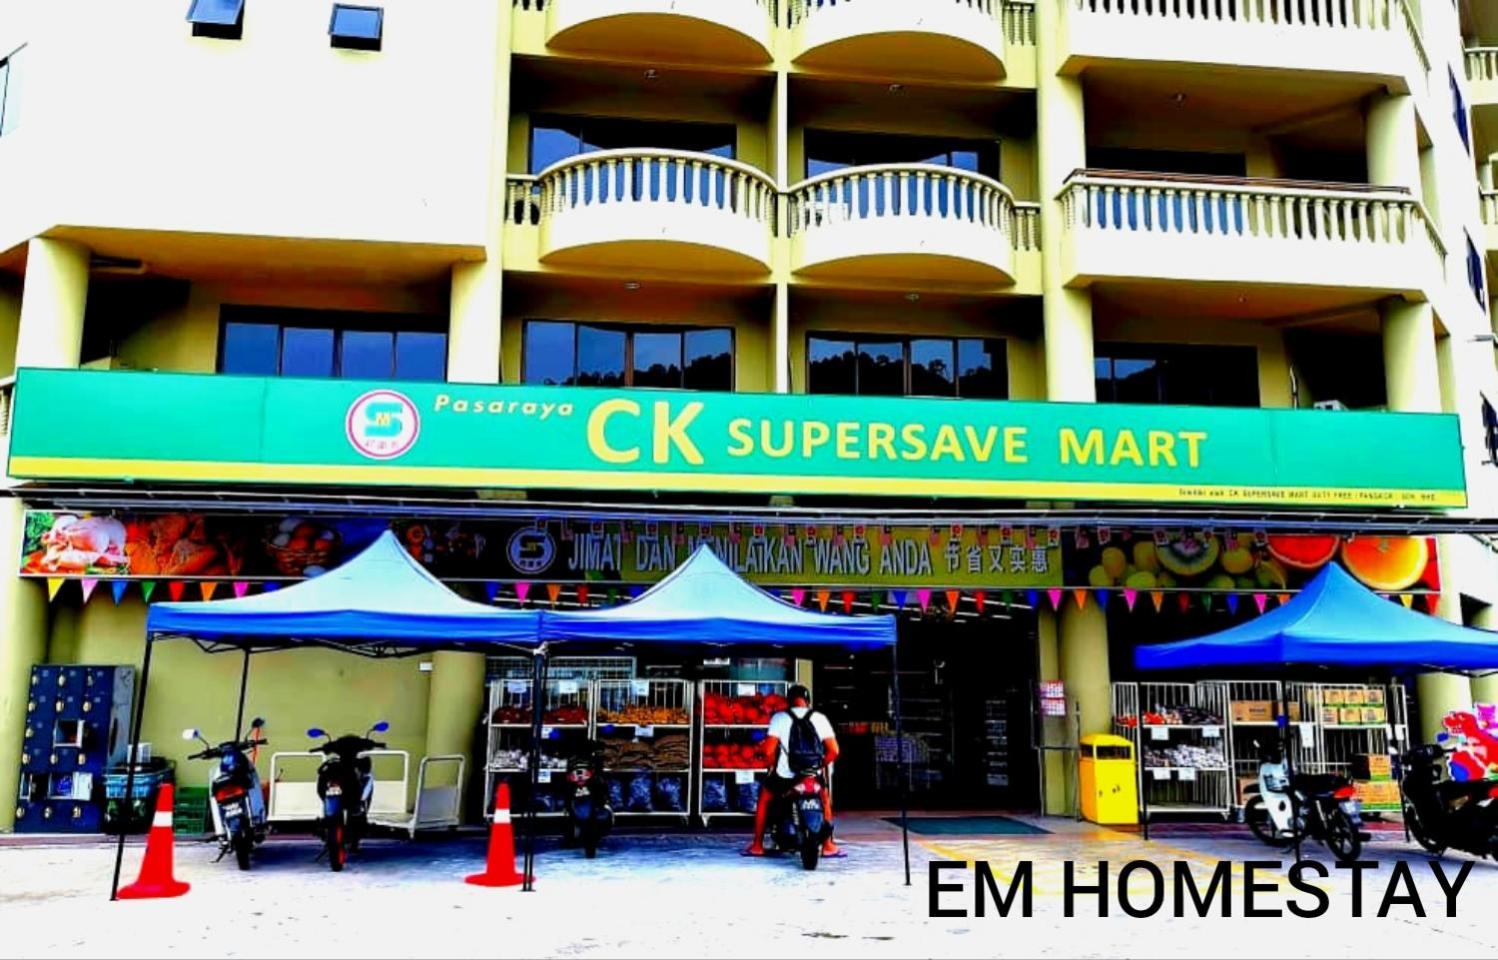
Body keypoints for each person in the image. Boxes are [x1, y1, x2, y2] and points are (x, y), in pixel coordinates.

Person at [743, 683, 841, 857]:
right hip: (812, 774)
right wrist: (818, 766)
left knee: (764, 799)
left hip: (785, 776)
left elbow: (768, 751)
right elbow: (834, 751)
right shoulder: (820, 718)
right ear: (808, 701)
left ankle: (757, 845)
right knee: (824, 799)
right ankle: (828, 846)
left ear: (788, 701)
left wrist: (771, 766)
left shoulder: (779, 718)